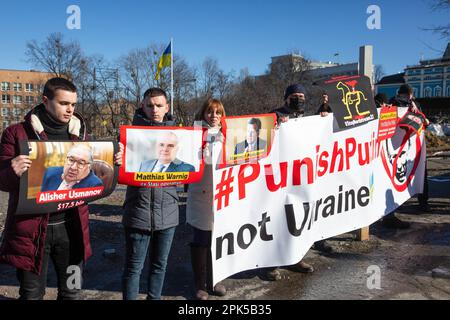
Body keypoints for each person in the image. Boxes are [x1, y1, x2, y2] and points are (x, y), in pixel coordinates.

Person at [0, 77, 123, 300]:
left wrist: (115, 161)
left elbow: (100, 183)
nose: (70, 110)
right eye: (64, 103)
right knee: (31, 294)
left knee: (72, 291)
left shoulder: (81, 135)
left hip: (72, 231)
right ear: (46, 101)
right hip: (32, 233)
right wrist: (12, 170)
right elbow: (1, 179)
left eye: (73, 104)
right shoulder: (16, 133)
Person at [122, 87, 180, 300]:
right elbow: (116, 171)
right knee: (133, 268)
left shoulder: (181, 137)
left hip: (169, 213)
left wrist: (202, 155)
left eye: (159, 105)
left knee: (159, 265)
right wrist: (117, 160)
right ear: (142, 106)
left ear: (167, 107)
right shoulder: (130, 137)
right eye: (150, 105)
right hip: (138, 212)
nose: (154, 110)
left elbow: (192, 169)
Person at [186, 98, 228, 300]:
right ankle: (200, 284)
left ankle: (216, 279)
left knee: (218, 238)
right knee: (201, 239)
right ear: (203, 114)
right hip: (200, 194)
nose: (214, 116)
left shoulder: (229, 133)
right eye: (210, 112)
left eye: (218, 112)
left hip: (223, 194)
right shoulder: (194, 134)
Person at [390, 84, 430, 213]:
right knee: (400, 173)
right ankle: (420, 202)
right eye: (407, 96)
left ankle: (422, 201)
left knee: (416, 172)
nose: (408, 98)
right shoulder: (395, 103)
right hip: (401, 146)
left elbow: (423, 121)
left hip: (409, 146)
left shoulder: (415, 105)